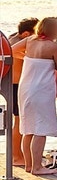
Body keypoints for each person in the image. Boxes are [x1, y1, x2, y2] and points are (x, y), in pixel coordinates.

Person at [18, 17, 57, 176]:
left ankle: (29, 165)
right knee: (40, 128)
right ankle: (37, 167)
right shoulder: (54, 47)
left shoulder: (29, 40)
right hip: (42, 90)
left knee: (28, 128)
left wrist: (26, 58)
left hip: (25, 88)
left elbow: (10, 49)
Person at [7, 17, 38, 162]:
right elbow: (28, 57)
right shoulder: (15, 44)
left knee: (20, 121)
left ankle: (20, 154)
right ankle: (16, 156)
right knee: (19, 121)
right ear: (26, 34)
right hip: (15, 86)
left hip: (15, 86)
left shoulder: (13, 37)